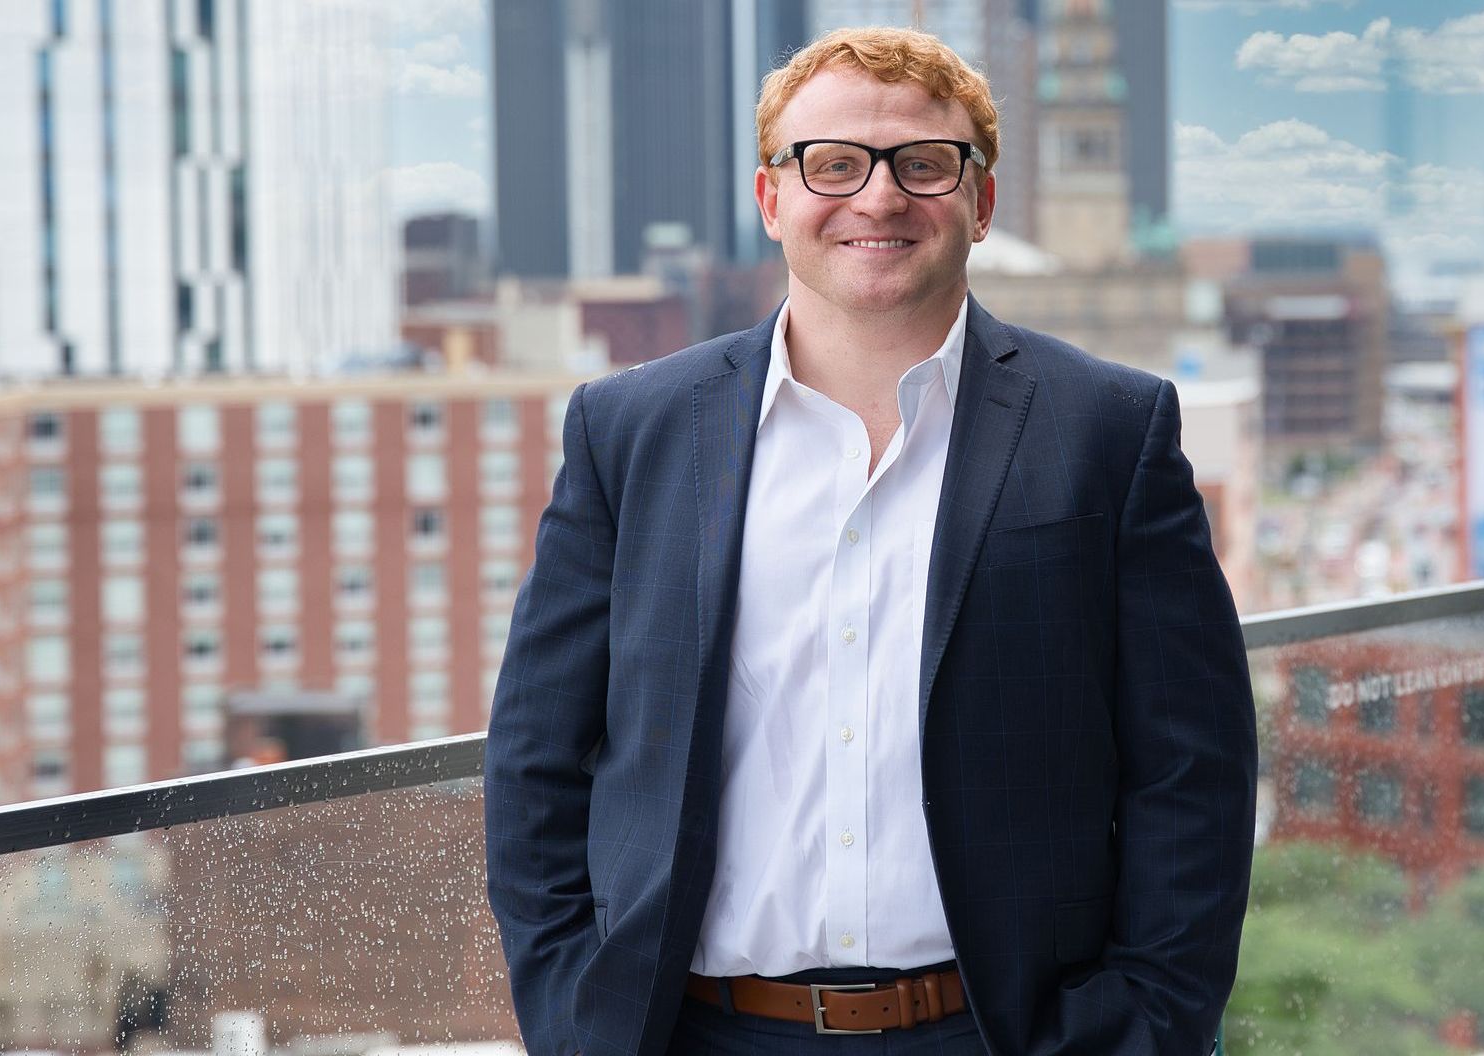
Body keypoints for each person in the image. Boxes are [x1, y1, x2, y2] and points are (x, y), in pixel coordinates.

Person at [484, 27, 1257, 1056]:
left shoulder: (1111, 431)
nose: (879, 197)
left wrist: (1142, 1028)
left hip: (1008, 1035)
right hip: (699, 1033)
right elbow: (537, 758)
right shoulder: (631, 432)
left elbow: (1191, 771)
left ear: (981, 202)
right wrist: (581, 1023)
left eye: (923, 164)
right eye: (833, 163)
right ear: (773, 200)